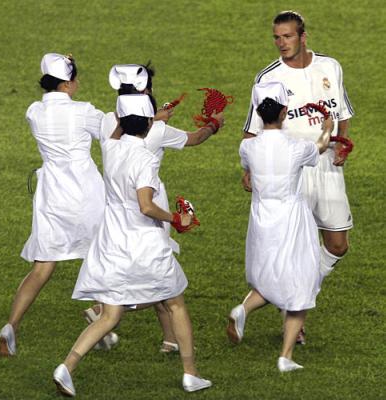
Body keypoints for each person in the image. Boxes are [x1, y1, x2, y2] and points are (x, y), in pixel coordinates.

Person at [53, 94, 213, 396]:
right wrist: (177, 218)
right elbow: (146, 206)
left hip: (112, 239)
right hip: (142, 241)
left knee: (110, 315)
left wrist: (145, 117)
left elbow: (119, 128)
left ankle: (67, 366)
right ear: (149, 122)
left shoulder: (111, 145)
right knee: (175, 303)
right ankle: (190, 374)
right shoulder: (145, 159)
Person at [83, 64, 224, 353]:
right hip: (149, 209)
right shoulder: (157, 131)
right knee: (161, 278)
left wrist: (151, 116)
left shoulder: (107, 123)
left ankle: (170, 339)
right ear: (145, 92)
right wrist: (213, 125)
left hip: (114, 212)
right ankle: (104, 312)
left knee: (140, 273)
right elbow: (195, 138)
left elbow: (123, 123)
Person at [241, 10, 354, 344]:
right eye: (277, 37)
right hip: (292, 174)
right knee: (294, 252)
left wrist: (342, 143)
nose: (281, 43)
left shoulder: (330, 67)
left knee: (337, 245)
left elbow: (342, 112)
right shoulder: (268, 78)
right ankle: (294, 313)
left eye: (287, 36)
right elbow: (252, 130)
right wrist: (249, 170)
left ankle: (284, 298)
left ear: (303, 37)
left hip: (328, 169)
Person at [0, 53, 106, 356]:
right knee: (102, 254)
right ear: (67, 84)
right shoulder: (83, 111)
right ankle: (102, 316)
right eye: (75, 79)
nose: (78, 83)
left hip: (51, 195)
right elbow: (115, 130)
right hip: (86, 193)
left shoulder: (35, 111)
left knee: (42, 266)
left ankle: (11, 326)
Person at [227, 81, 334, 371]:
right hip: (292, 219)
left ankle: (243, 309)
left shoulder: (247, 146)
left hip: (261, 218)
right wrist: (327, 128)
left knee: (270, 275)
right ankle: (285, 356)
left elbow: (248, 172)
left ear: (258, 112)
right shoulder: (297, 147)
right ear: (284, 112)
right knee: (301, 282)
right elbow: (321, 147)